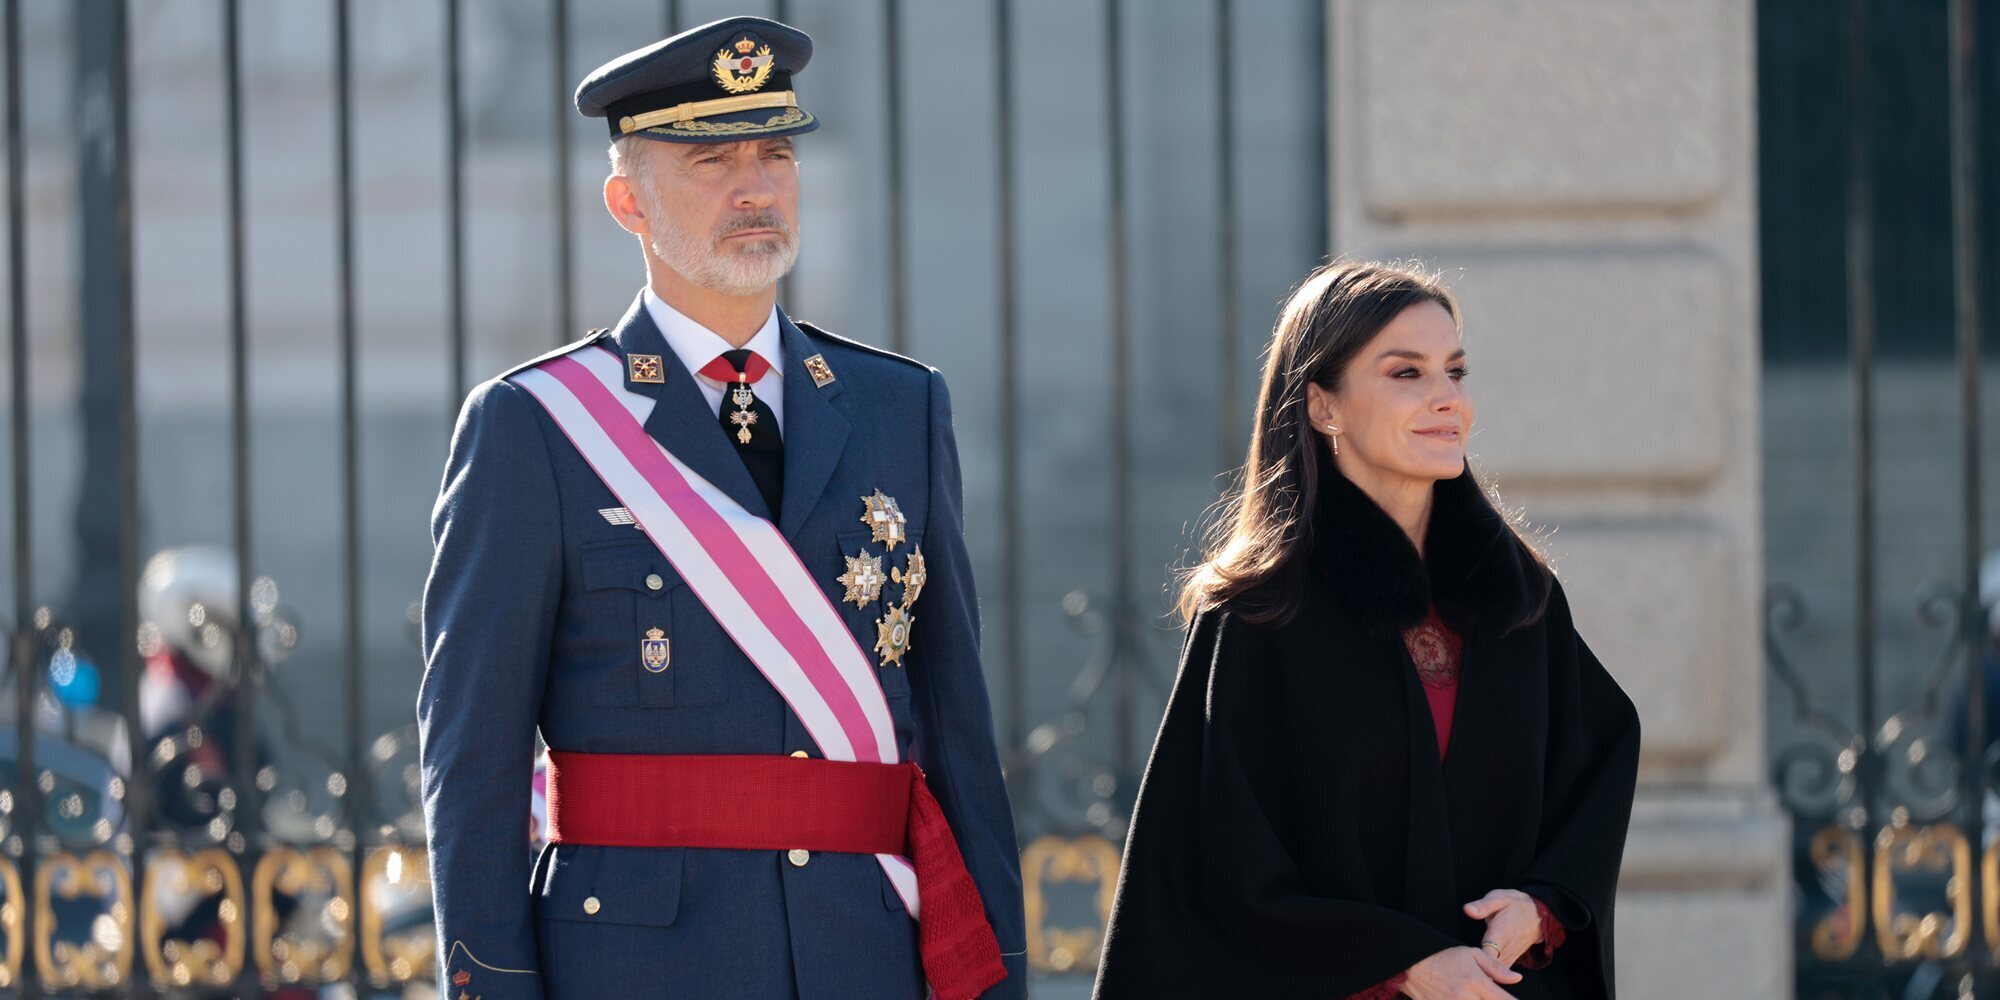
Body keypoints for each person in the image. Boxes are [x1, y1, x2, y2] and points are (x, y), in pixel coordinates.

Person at [418, 17, 1024, 999]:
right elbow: (473, 772)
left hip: (861, 959)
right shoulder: (535, 425)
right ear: (627, 201)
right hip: (634, 964)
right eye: (709, 159)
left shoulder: (899, 407)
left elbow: (956, 736)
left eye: (775, 152)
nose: (755, 186)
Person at [1092, 259, 1640, 999]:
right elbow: (1218, 873)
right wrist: (1401, 963)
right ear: (1323, 405)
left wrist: (1541, 906)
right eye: (1406, 374)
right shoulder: (1261, 615)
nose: (1449, 400)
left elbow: (1600, 761)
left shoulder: (1517, 599)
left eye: (1456, 370)